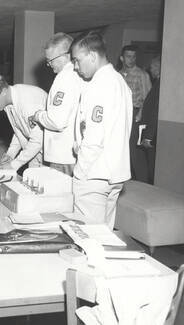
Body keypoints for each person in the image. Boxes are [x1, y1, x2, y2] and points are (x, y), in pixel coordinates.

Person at [71, 31, 133, 229]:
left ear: (92, 55)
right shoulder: (119, 82)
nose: (75, 66)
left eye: (77, 60)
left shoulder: (99, 86)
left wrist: (80, 171)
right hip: (115, 171)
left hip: (94, 173)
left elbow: (94, 135)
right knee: (105, 234)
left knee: (87, 235)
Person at [29, 32, 84, 176]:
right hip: (73, 152)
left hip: (62, 155)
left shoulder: (63, 79)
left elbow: (57, 121)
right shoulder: (79, 75)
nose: (49, 65)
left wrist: (38, 116)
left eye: (51, 60)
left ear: (66, 56)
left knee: (59, 196)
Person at [0, 74, 47, 171]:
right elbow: (20, 129)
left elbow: (38, 139)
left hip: (48, 152)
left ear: (3, 92)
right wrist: (10, 154)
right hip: (34, 151)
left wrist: (14, 164)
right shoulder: (8, 101)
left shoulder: (28, 102)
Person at [119, 45, 152, 182]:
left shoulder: (142, 74)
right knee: (121, 147)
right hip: (120, 114)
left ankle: (144, 182)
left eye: (134, 56)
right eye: (128, 56)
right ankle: (126, 178)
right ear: (122, 58)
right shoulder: (118, 74)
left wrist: (140, 115)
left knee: (134, 150)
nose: (131, 59)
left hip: (135, 113)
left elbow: (148, 98)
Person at [140, 55, 161, 184]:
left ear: (160, 67)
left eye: (153, 66)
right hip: (152, 131)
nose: (151, 69)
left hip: (153, 134)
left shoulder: (160, 85)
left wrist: (148, 136)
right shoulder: (157, 83)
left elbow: (155, 111)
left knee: (153, 165)